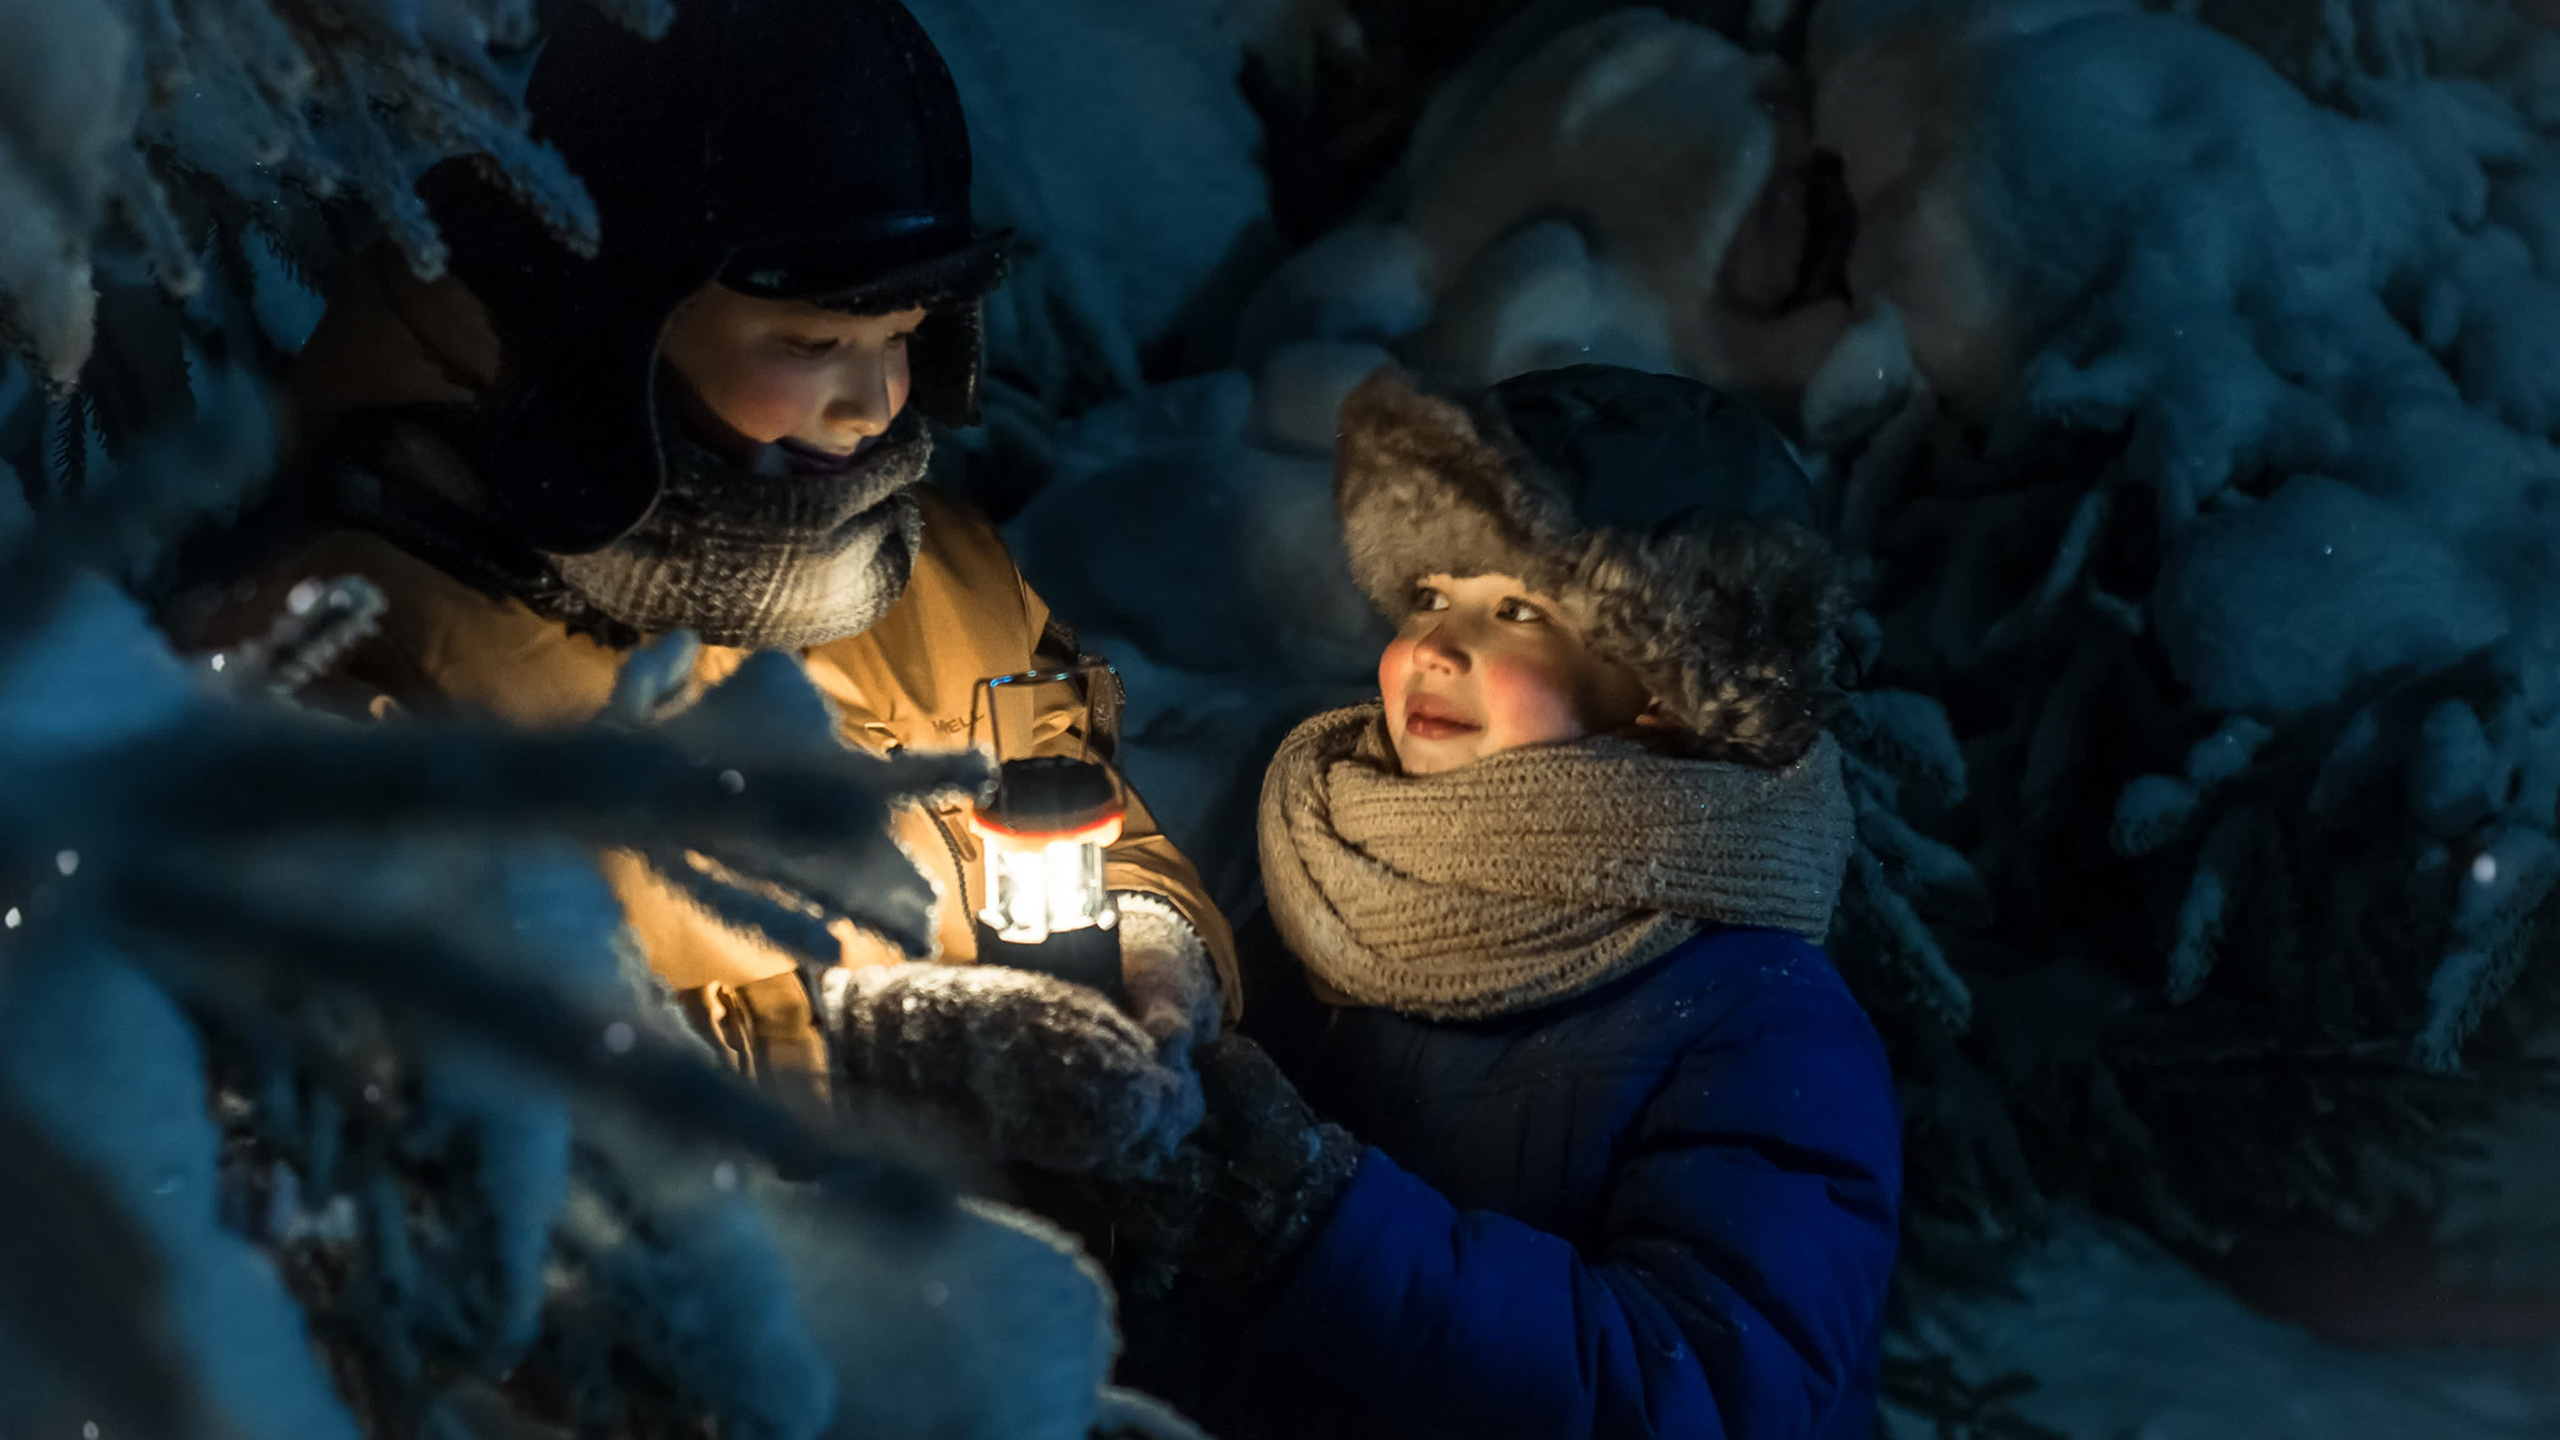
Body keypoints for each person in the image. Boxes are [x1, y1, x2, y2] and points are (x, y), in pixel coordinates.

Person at [153, 0, 1232, 1109]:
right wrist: (875, 1044)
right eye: (812, 345)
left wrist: (1153, 950)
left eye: (901, 338)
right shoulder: (363, 616)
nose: (871, 405)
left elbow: (1089, 809)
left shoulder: (932, 573)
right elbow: (437, 1076)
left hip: (1031, 1269)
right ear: (620, 315)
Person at [1084, 364, 1902, 1439]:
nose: (1434, 645)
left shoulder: (1760, 1021)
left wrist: (1326, 1233)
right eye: (1429, 595)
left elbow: (1700, 1387)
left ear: (1669, 687)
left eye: (1516, 610)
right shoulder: (1334, 891)